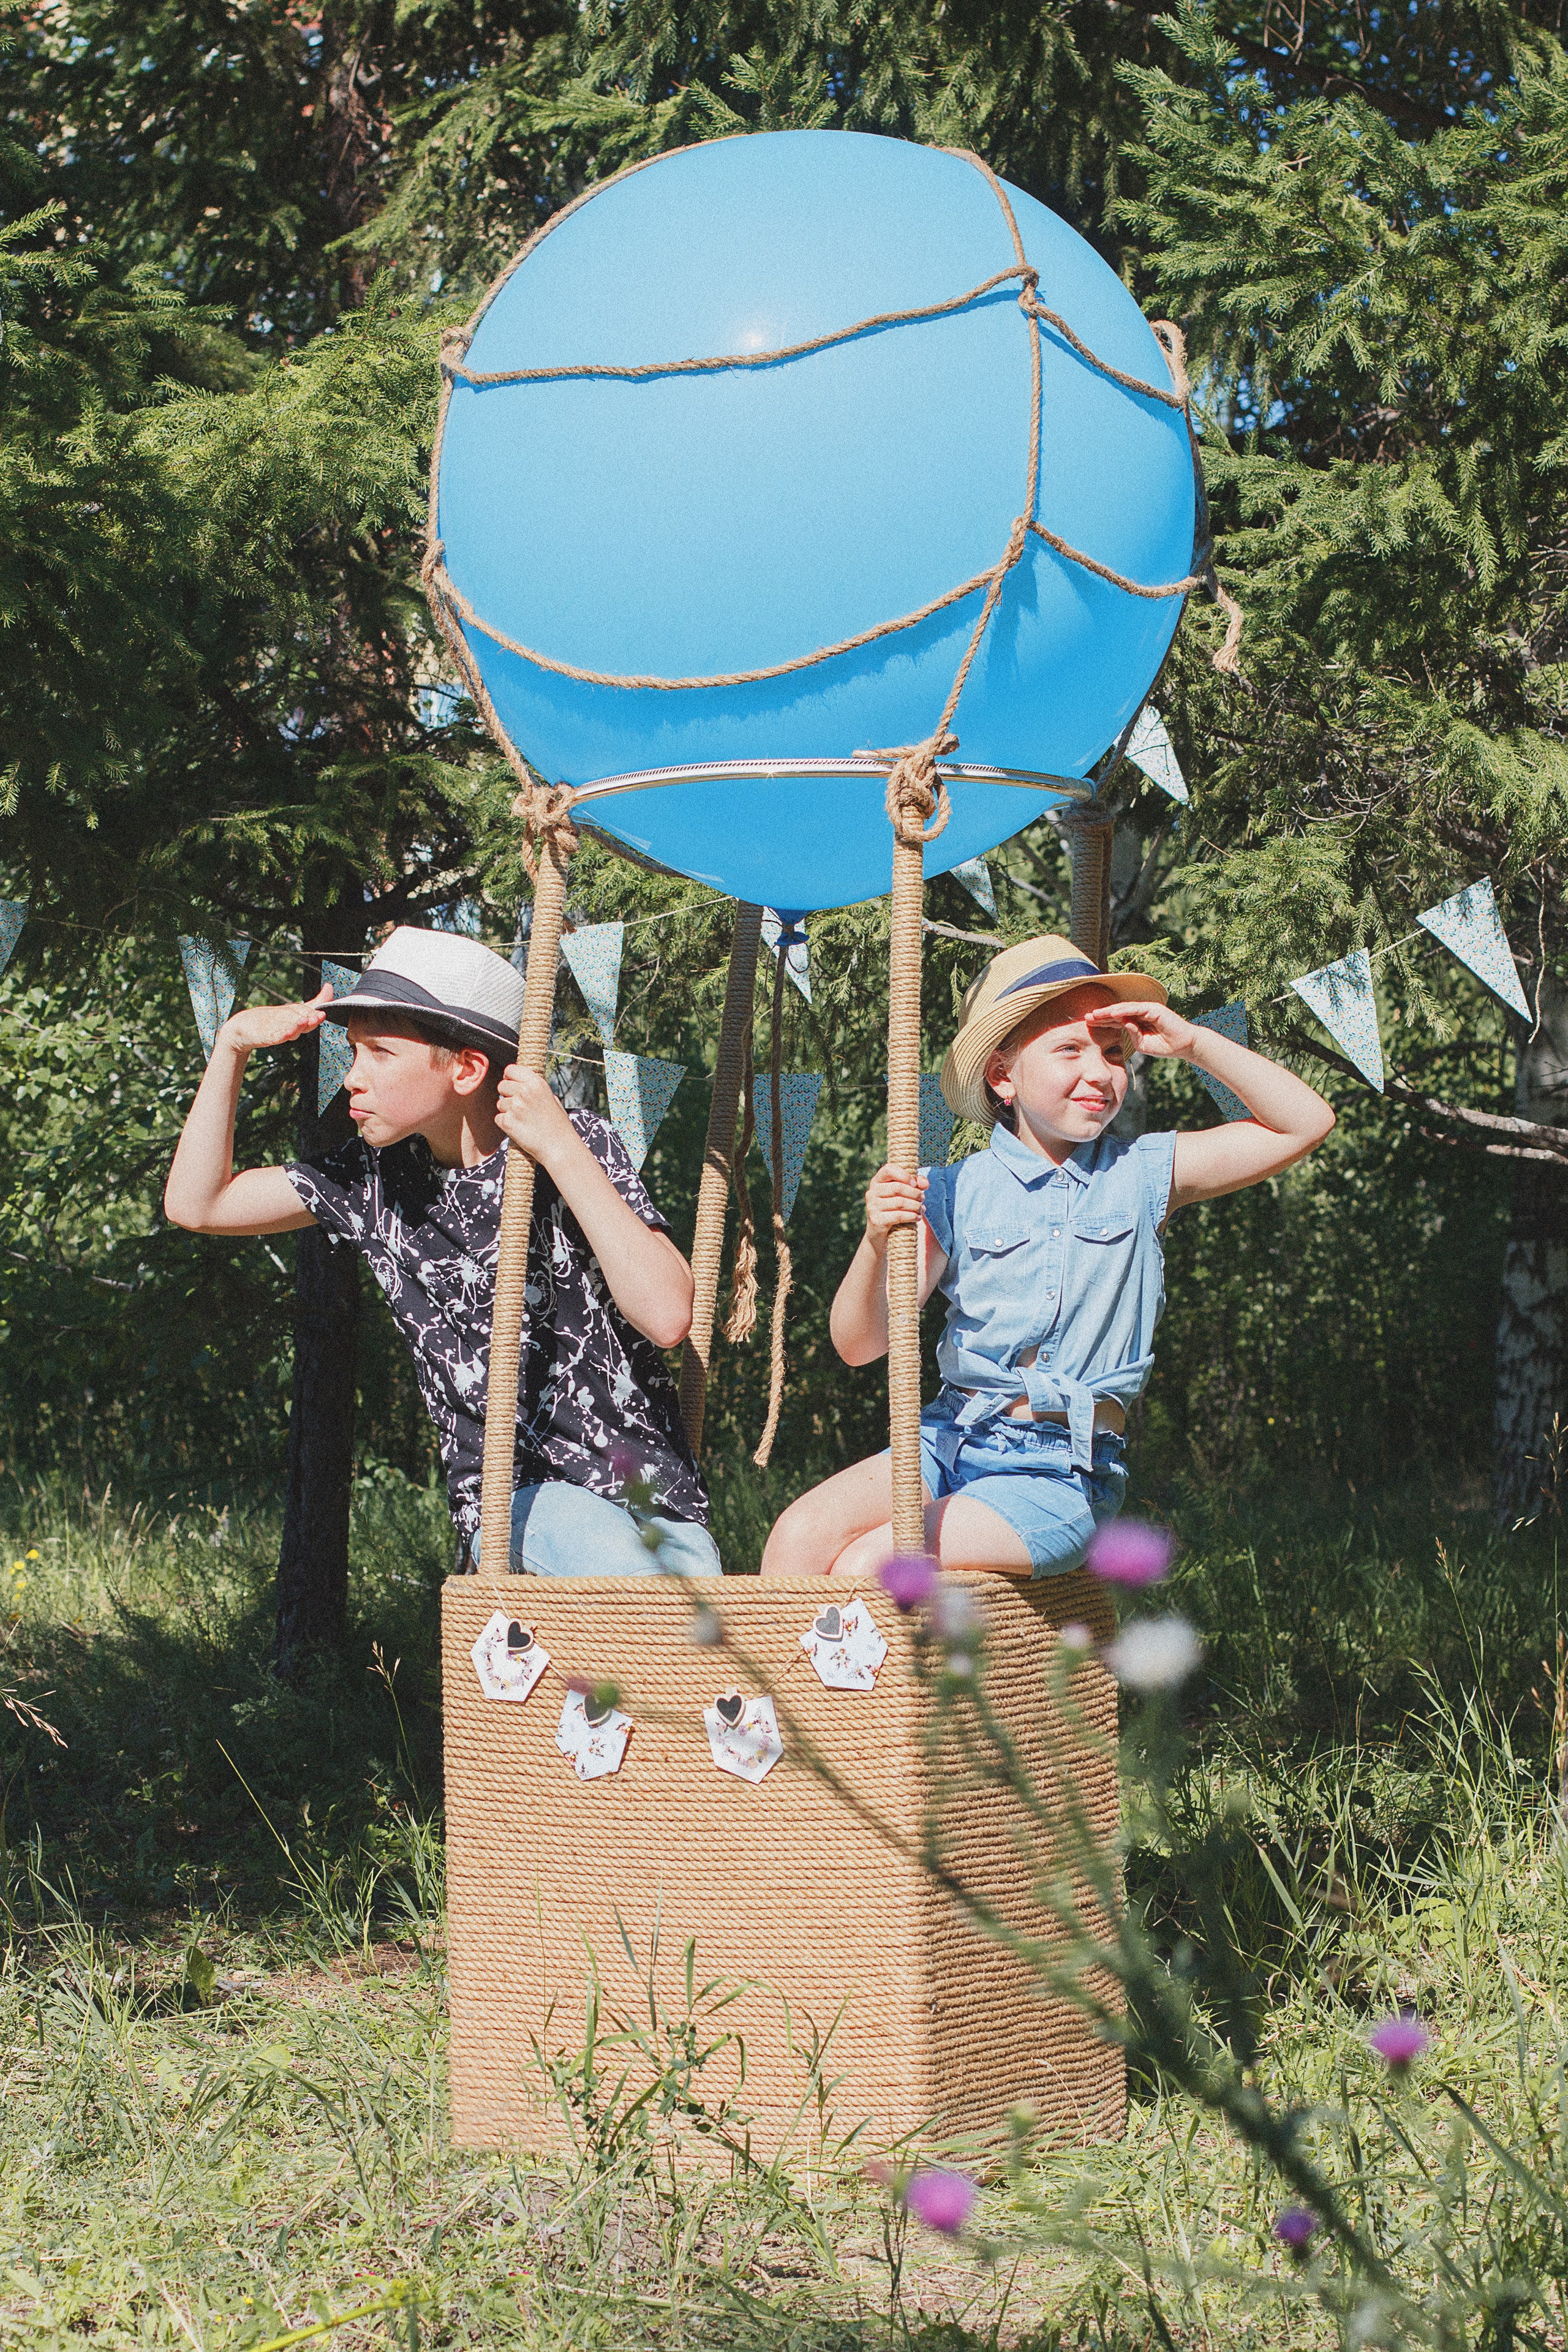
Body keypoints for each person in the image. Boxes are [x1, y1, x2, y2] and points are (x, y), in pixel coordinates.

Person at [761, 933, 1335, 1583]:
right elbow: (859, 1344)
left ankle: (863, 1681)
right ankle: (774, 1689)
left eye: (1113, 1052)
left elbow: (1304, 1122)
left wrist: (1193, 1042)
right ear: (1002, 1075)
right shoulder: (947, 1191)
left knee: (876, 1560)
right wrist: (875, 1239)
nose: (1099, 1072)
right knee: (798, 1538)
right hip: (949, 1438)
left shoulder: (1143, 1173)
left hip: (1060, 1468)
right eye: (1069, 1049)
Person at [164, 927, 720, 1578]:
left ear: (465, 1069)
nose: (351, 1080)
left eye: (379, 1053)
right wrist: (230, 1047)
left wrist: (562, 1149)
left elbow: (666, 1316)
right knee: (634, 1593)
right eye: (352, 1052)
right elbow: (197, 1205)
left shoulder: (574, 1145)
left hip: (651, 1495)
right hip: (521, 1500)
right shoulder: (372, 1182)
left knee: (687, 1630)